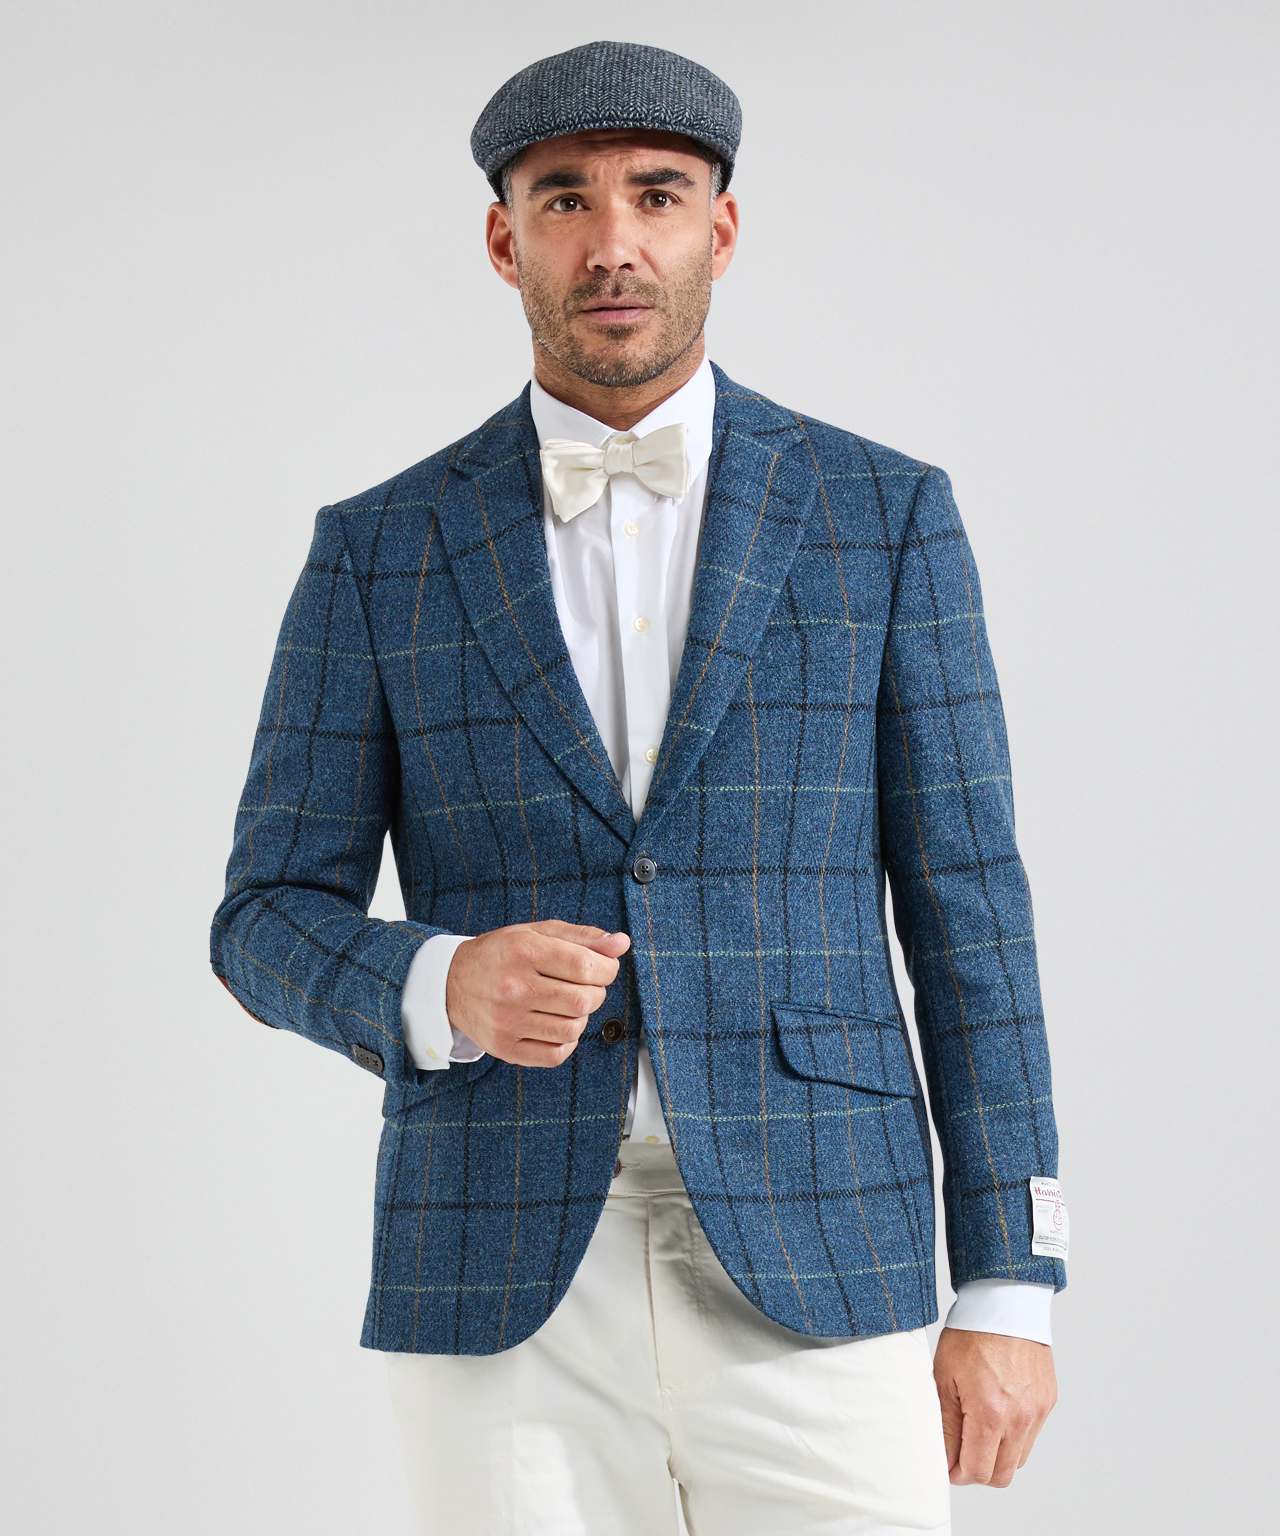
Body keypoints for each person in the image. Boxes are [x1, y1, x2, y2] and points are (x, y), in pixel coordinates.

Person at [209, 38, 1068, 1535]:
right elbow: (264, 914)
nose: (613, 242)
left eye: (656, 196)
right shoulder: (380, 549)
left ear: (719, 229)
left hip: (824, 1245)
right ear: (504, 242)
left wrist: (1011, 1281)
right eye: (565, 200)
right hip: (499, 1268)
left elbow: (970, 912)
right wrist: (439, 982)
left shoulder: (882, 516)